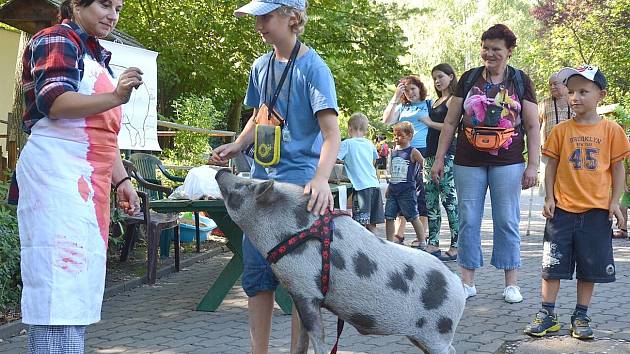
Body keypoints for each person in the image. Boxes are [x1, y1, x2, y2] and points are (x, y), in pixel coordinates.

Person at [211, 1, 340, 353]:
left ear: (292, 17)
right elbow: (261, 114)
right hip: (260, 186)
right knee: (256, 278)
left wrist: (321, 178)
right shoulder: (260, 65)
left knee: (301, 283)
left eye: (266, 17)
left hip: (297, 190)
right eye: (256, 17)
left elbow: (332, 133)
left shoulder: (313, 69)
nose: (258, 25)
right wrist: (237, 145)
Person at [15, 0, 142, 351]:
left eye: (118, 7)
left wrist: (123, 180)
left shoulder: (96, 54)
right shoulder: (56, 39)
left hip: (88, 182)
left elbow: (101, 132)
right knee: (58, 286)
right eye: (104, 4)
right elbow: (55, 102)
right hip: (56, 176)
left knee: (77, 288)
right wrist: (116, 95)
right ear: (76, 4)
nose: (113, 15)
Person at [431, 24, 540, 303]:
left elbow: (531, 125)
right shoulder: (468, 79)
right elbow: (451, 122)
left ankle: (511, 283)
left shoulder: (520, 80)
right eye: (485, 48)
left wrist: (532, 165)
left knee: (507, 220)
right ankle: (466, 281)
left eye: (496, 49)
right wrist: (440, 158)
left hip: (508, 160)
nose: (489, 54)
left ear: (509, 51)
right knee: (469, 219)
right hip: (468, 160)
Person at [524, 65, 630, 339]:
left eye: (583, 91)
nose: (575, 97)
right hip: (562, 211)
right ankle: (547, 313)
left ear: (601, 95)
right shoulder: (560, 131)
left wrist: (615, 202)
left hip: (596, 212)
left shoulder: (612, 131)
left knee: (589, 267)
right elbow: (551, 166)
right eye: (571, 92)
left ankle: (581, 315)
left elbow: (618, 169)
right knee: (552, 265)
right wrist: (549, 196)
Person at [382, 75, 431, 251]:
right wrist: (396, 97)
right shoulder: (402, 107)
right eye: (406, 90)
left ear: (420, 88)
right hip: (401, 153)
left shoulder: (428, 104)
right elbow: (386, 120)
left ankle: (422, 236)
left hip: (421, 150)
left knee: (420, 193)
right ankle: (398, 234)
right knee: (401, 189)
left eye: (413, 89)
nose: (410, 93)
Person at [422, 63, 460, 262]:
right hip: (429, 154)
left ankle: (456, 245)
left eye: (440, 76)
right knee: (431, 200)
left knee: (448, 200)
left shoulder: (453, 100)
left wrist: (429, 123)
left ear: (451, 77)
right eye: (435, 78)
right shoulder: (436, 101)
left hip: (446, 155)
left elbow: (451, 127)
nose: (437, 81)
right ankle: (433, 242)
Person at [337, 113, 385, 233]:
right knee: (372, 224)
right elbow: (374, 158)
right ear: (366, 130)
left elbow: (335, 159)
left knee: (360, 225)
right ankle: (376, 248)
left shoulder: (346, 144)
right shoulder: (369, 144)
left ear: (349, 129)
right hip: (374, 185)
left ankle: (362, 250)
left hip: (361, 188)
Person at [384, 122, 427, 248]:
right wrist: (388, 187)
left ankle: (422, 240)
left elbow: (424, 164)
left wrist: (426, 175)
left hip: (407, 190)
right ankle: (389, 242)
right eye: (395, 135)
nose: (396, 138)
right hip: (393, 189)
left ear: (409, 136)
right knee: (389, 216)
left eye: (400, 136)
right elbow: (393, 172)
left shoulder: (413, 151)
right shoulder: (393, 152)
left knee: (413, 216)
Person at [538, 72, 573, 196]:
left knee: (569, 186)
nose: (552, 87)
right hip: (549, 150)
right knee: (549, 187)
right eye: (550, 85)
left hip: (572, 151)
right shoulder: (544, 103)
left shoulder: (574, 101)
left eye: (555, 84)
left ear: (565, 85)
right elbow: (536, 125)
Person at [612, 153, 629, 238]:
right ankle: (623, 230)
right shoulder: (627, 156)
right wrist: (625, 185)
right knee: (623, 207)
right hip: (628, 190)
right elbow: (624, 171)